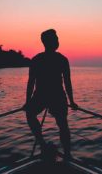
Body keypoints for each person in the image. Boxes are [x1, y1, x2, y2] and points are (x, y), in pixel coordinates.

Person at [23, 29, 78, 160]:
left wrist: (28, 101)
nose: (58, 41)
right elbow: (67, 83)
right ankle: (66, 154)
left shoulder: (37, 59)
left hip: (45, 96)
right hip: (55, 96)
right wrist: (71, 101)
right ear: (49, 42)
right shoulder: (61, 59)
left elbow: (31, 83)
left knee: (31, 114)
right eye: (56, 39)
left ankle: (43, 144)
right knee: (63, 125)